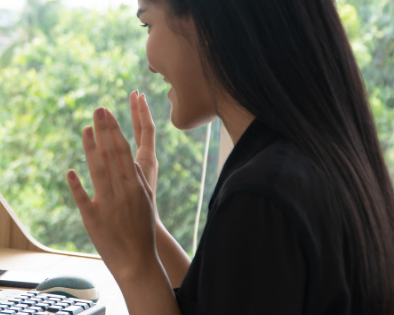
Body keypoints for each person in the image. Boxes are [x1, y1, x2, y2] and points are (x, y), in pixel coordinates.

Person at [65, 0, 394, 314]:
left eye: (147, 24)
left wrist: (135, 265)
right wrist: (146, 228)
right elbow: (224, 298)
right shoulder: (312, 163)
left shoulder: (262, 197)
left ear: (205, 22)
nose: (149, 64)